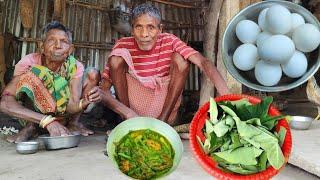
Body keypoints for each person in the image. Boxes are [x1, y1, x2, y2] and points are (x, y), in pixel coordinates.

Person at [99, 3, 230, 127]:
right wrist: (126, 113)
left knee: (181, 59)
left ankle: (163, 122)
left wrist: (228, 98)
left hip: (164, 110)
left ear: (160, 29)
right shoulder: (122, 45)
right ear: (132, 30)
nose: (144, 34)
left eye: (151, 27)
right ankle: (126, 124)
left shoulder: (169, 41)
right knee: (116, 58)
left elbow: (203, 62)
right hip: (131, 112)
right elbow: (104, 91)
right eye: (138, 27)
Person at [0, 21, 101, 143]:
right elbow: (5, 102)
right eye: (51, 40)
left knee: (92, 73)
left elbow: (71, 106)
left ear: (70, 49)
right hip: (35, 115)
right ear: (41, 46)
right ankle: (31, 126)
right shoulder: (29, 63)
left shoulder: (74, 66)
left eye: (64, 41)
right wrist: (46, 120)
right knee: (34, 74)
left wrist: (85, 102)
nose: (58, 45)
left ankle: (72, 124)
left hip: (63, 115)